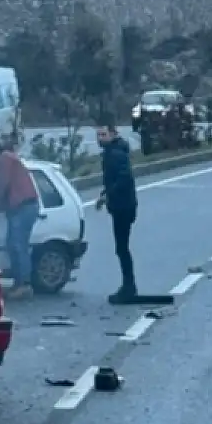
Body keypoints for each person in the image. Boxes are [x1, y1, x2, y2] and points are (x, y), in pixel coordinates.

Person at [0, 139, 39, 299]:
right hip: (20, 208)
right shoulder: (9, 159)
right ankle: (19, 282)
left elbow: (3, 186)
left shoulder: (5, 160)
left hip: (24, 207)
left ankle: (24, 284)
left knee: (19, 245)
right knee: (13, 245)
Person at [95, 125, 139, 303]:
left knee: (122, 248)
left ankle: (129, 286)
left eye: (103, 134)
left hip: (123, 207)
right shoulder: (112, 151)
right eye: (98, 135)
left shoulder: (116, 154)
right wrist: (105, 195)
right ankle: (128, 285)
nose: (100, 138)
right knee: (121, 248)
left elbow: (123, 178)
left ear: (113, 134)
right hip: (121, 205)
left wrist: (109, 194)